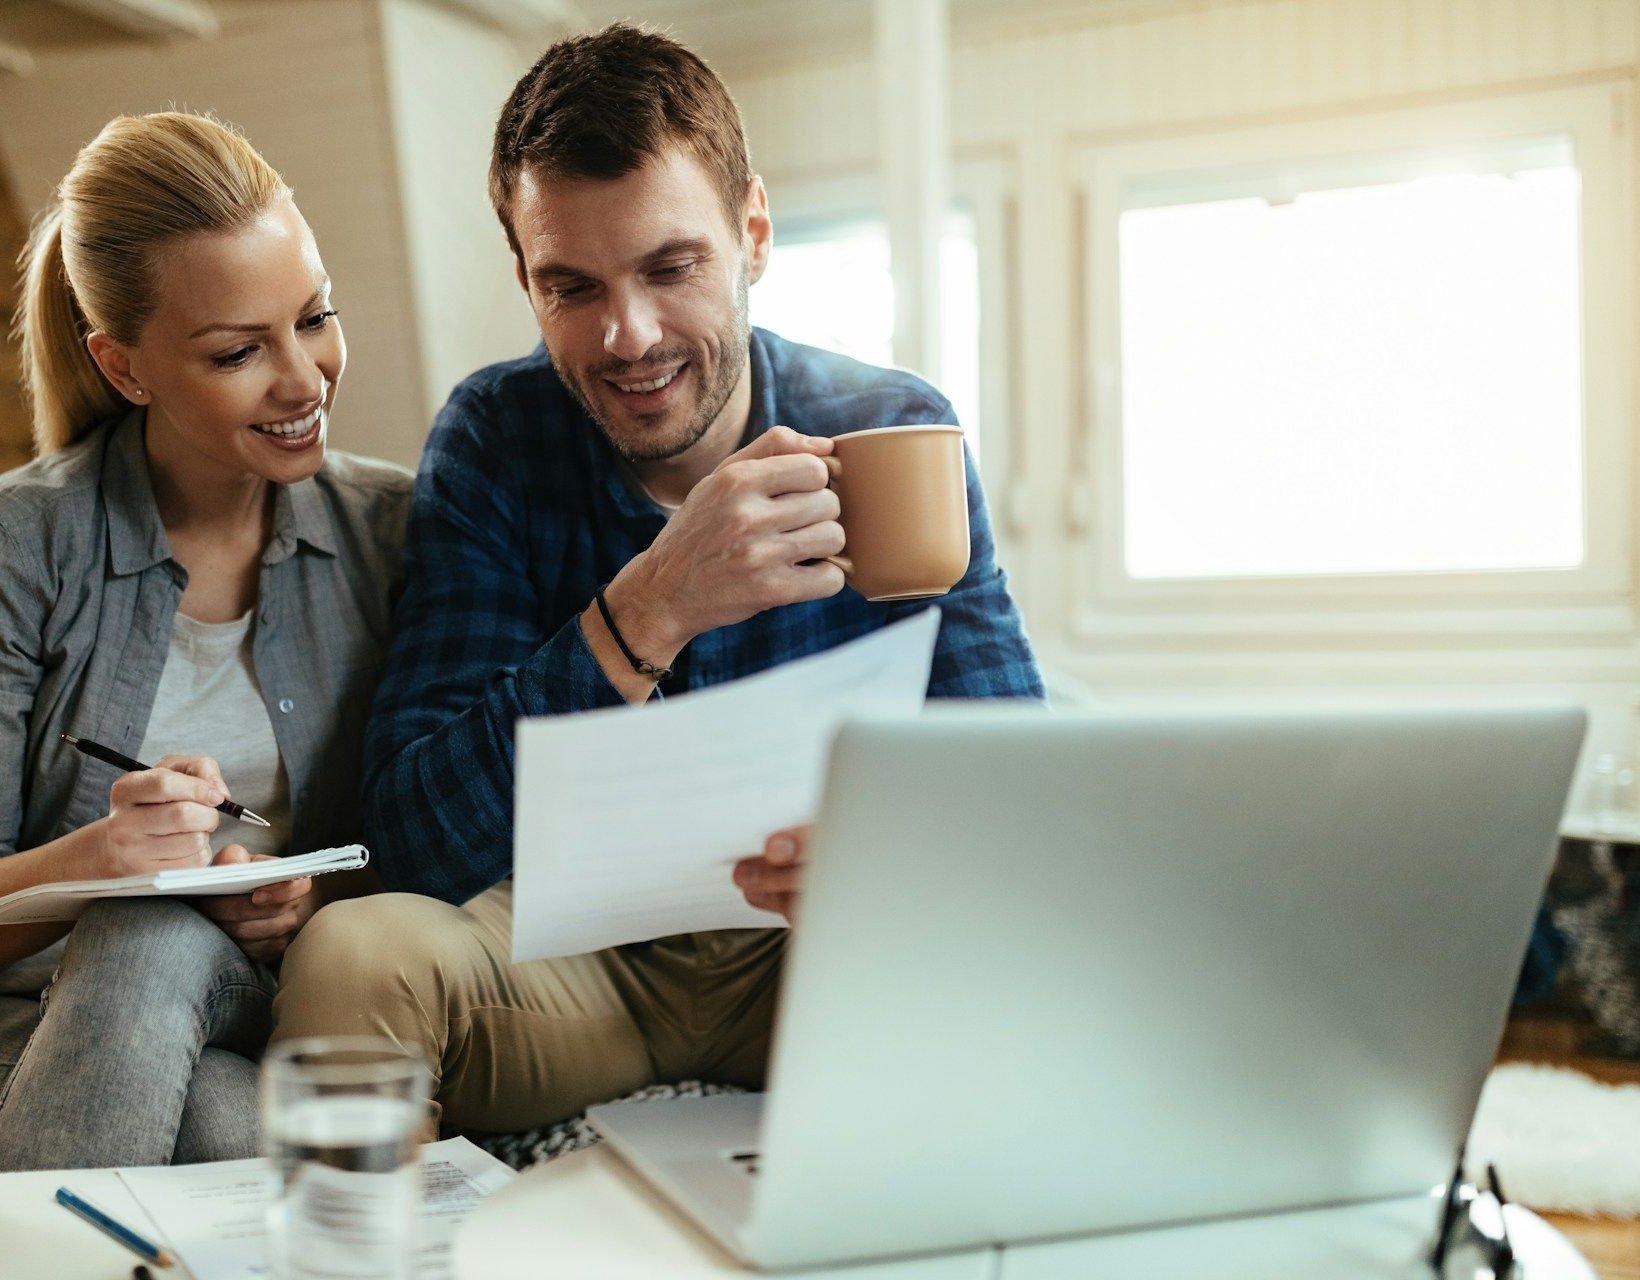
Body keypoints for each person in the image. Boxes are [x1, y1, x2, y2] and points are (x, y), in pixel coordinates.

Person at [272, 23, 1043, 1134]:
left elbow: (1018, 780)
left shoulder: (889, 429)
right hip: (571, 963)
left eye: (670, 266)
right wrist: (650, 604)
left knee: (1041, 963)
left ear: (752, 233)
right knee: (353, 951)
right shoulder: (497, 434)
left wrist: (896, 864)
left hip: (820, 960)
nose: (625, 335)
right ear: (526, 280)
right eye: (570, 286)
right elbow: (416, 840)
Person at [0, 113, 410, 1169]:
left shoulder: (395, 530)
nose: (304, 378)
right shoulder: (24, 543)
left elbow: (457, 826)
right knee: (217, 1100)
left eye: (313, 317)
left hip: (281, 1009)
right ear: (123, 367)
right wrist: (95, 861)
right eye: (237, 351)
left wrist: (314, 894)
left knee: (181, 977)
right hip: (37, 1039)